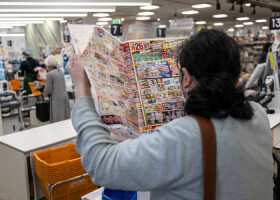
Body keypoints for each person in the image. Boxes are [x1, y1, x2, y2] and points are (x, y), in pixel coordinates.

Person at [67, 29, 273, 200]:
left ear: (186, 78)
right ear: (237, 78)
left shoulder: (184, 137)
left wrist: (82, 92)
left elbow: (101, 164)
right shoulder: (259, 115)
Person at [44, 55, 70, 123]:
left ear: (48, 66)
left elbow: (47, 90)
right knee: (65, 118)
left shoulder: (49, 74)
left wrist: (42, 88)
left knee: (57, 121)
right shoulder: (60, 72)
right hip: (64, 98)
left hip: (56, 100)